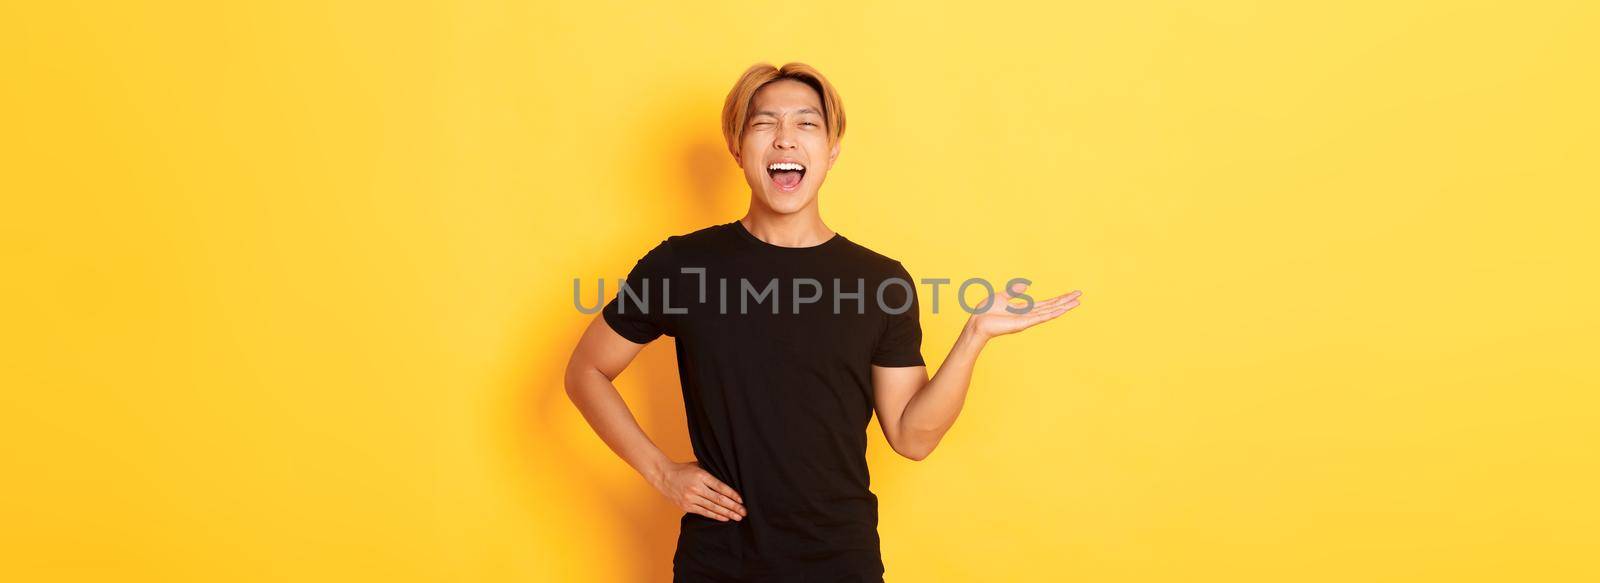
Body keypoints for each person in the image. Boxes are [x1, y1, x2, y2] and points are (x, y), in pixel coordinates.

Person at [563, 61, 1082, 582]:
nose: (786, 139)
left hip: (840, 561)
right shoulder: (682, 266)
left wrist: (974, 338)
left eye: (806, 124)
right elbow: (586, 370)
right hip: (718, 561)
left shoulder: (881, 282)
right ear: (737, 147)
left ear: (832, 150)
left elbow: (911, 436)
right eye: (765, 123)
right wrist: (662, 472)